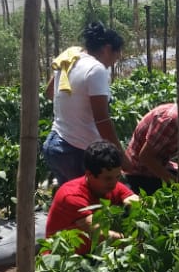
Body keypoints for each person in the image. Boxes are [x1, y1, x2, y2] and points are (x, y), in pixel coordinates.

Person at [43, 21, 127, 183]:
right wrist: (120, 156)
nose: (114, 63)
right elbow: (102, 119)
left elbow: (49, 93)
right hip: (76, 152)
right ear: (107, 49)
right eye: (116, 56)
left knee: (72, 202)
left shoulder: (70, 59)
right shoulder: (96, 69)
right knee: (93, 203)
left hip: (55, 145)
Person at [45, 141, 140, 255]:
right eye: (108, 178)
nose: (114, 183)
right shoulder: (71, 195)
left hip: (94, 255)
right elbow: (99, 233)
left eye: (118, 176)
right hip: (63, 261)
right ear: (89, 174)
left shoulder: (111, 186)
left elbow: (135, 201)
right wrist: (133, 241)